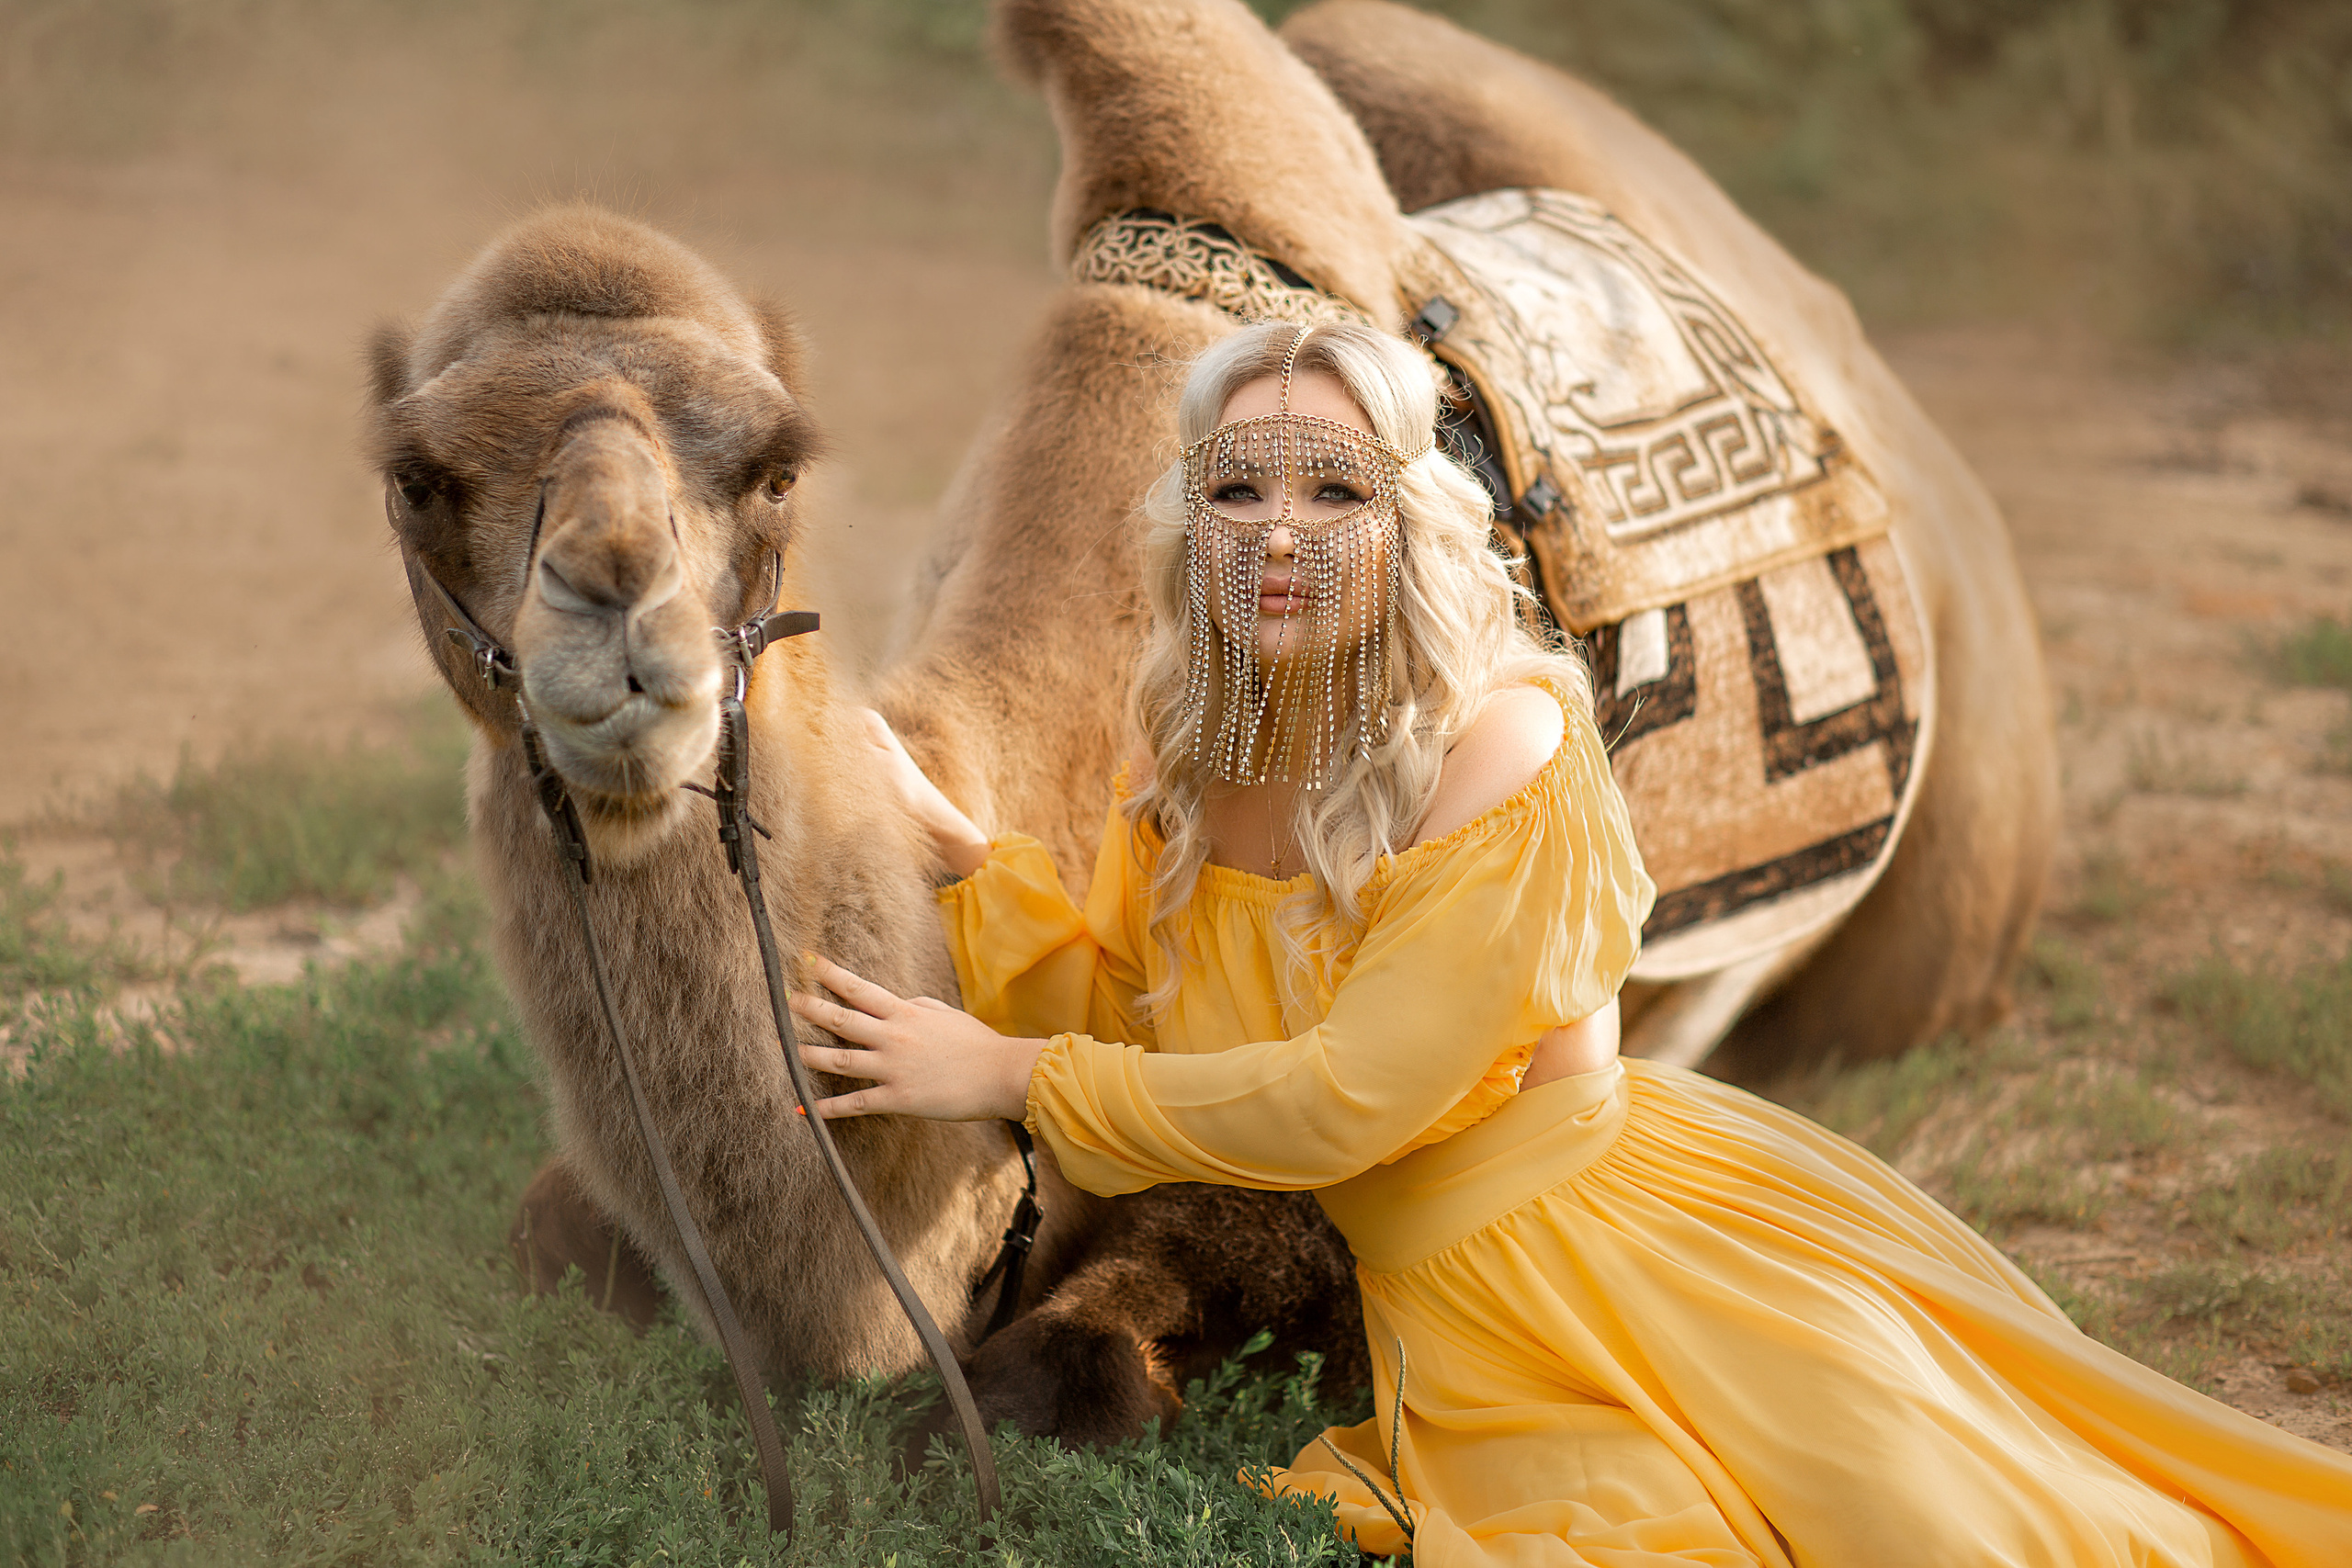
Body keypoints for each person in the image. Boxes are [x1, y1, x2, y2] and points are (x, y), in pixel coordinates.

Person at [787, 321, 2352, 1566]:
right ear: (1186, 518)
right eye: (1237, 488)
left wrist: (997, 1067)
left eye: (1335, 491)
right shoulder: (1203, 734)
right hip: (1418, 1298)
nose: (1279, 535)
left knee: (1925, 1532)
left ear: (1413, 519)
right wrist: (967, 857)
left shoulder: (1505, 742)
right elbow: (1153, 1010)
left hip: (1579, 1256)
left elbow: (1349, 1100)